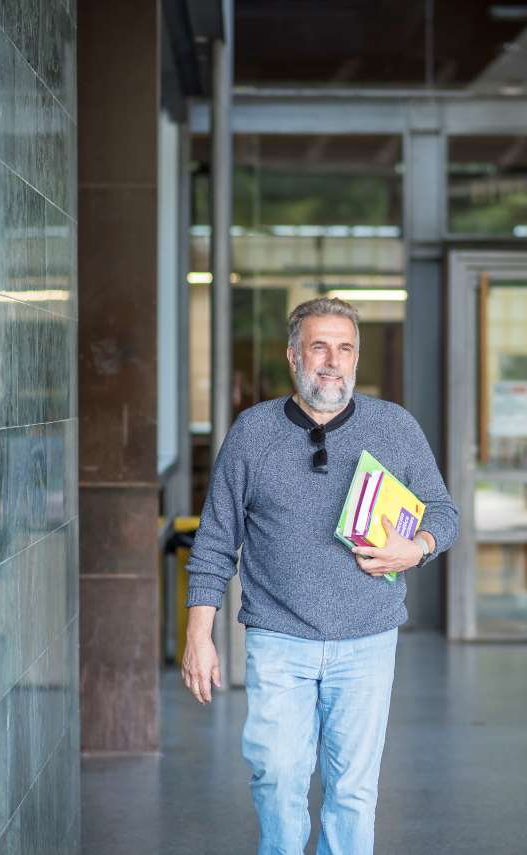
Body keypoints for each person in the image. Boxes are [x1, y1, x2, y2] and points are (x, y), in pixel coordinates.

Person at [182, 297, 459, 855]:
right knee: (278, 777)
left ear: (355, 359)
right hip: (278, 639)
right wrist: (198, 634)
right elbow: (214, 539)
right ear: (293, 356)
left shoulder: (394, 427)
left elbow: (443, 512)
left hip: (368, 640)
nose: (332, 361)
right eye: (319, 347)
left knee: (353, 791)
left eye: (345, 348)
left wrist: (418, 548)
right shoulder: (252, 433)